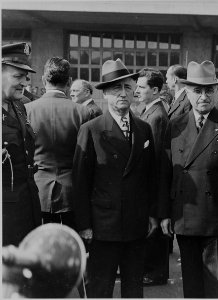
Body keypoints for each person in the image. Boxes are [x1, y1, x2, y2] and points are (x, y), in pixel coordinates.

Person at [159, 61, 218, 298]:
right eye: (197, 91)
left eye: (209, 90)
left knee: (217, 288)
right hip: (186, 217)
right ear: (187, 92)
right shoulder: (175, 125)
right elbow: (166, 173)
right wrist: (164, 213)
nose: (203, 96)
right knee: (192, 287)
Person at [72, 58, 158, 298]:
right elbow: (80, 182)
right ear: (105, 95)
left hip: (135, 224)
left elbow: (150, 175)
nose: (122, 94)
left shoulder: (143, 128)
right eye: (115, 89)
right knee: (101, 288)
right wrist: (85, 224)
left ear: (134, 93)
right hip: (103, 227)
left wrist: (151, 213)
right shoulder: (91, 129)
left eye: (128, 88)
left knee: (133, 289)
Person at [26, 57, 91, 229]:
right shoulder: (84, 113)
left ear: (43, 79)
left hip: (37, 191)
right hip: (73, 192)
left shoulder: (27, 111)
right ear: (69, 82)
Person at [2, 42, 41, 246]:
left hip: (27, 205)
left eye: (25, 77)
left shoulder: (19, 106)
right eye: (17, 76)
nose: (23, 82)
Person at [135, 68, 170, 286]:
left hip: (154, 184)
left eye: (141, 87)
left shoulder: (156, 116)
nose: (137, 90)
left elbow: (156, 158)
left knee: (154, 230)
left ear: (155, 90)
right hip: (150, 185)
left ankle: (156, 272)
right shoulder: (148, 111)